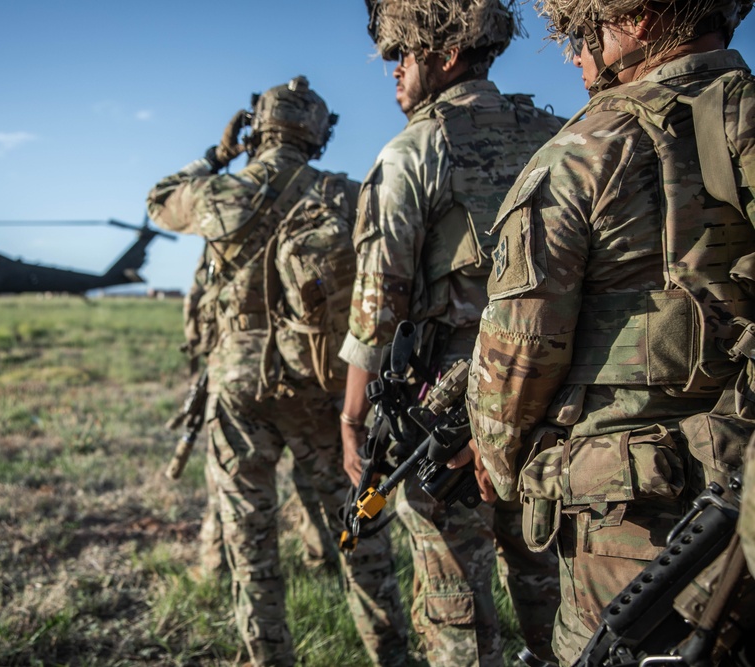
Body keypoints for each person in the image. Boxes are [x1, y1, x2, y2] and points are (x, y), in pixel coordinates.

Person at [465, 0, 755, 662]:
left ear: (642, 16)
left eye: (583, 30)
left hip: (644, 535)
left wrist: (500, 461)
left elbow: (517, 359)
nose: (574, 53)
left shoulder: (589, 148)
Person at [147, 76, 409, 667]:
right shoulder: (343, 193)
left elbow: (158, 198)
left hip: (237, 390)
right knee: (360, 534)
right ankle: (391, 656)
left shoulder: (218, 193)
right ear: (317, 133)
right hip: (322, 387)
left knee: (252, 544)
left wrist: (220, 153)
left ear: (259, 127)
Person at [338, 1, 565, 664]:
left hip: (448, 416)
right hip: (555, 405)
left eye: (400, 57)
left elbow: (379, 305)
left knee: (458, 609)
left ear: (440, 54)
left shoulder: (414, 151)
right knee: (557, 594)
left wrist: (353, 417)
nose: (394, 74)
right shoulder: (562, 133)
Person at [179, 244, 339, 577]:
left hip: (238, 369)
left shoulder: (230, 231)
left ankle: (216, 563)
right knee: (320, 475)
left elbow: (197, 305)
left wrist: (203, 353)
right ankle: (323, 557)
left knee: (231, 480)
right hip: (313, 368)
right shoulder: (315, 220)